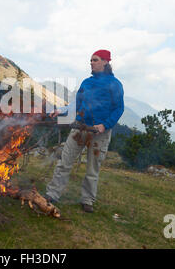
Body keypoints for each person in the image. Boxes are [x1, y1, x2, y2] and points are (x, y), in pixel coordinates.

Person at [45, 49, 124, 213]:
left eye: (95, 60)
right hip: (79, 128)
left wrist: (105, 125)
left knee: (92, 169)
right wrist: (62, 111)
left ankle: (87, 200)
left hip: (99, 132)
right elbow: (76, 104)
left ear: (105, 62)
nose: (91, 63)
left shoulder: (114, 84)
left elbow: (118, 108)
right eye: (91, 60)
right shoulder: (86, 83)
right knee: (64, 162)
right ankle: (52, 194)